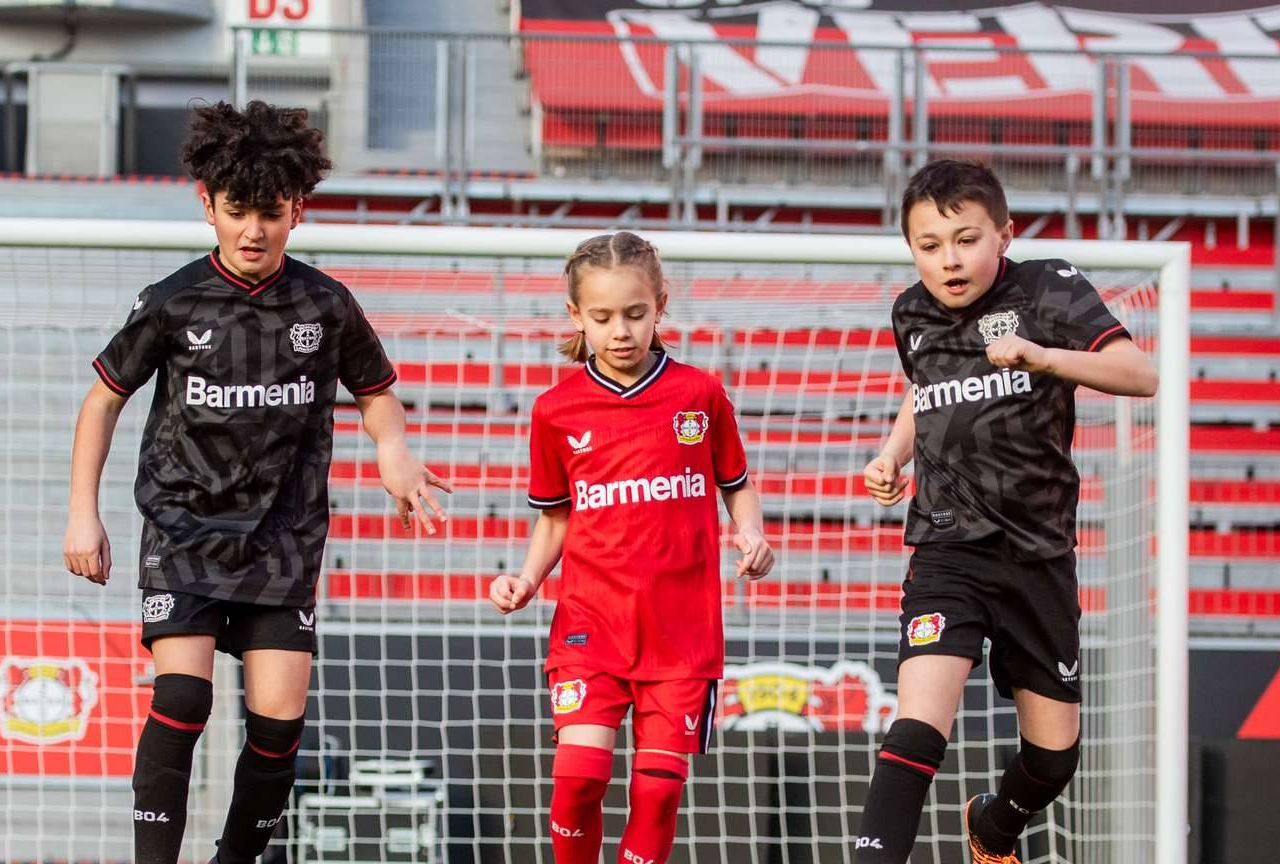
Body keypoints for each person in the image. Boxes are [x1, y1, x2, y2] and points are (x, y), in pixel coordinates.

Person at [62, 100, 452, 864]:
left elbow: (376, 392)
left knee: (277, 725)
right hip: (184, 529)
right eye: (237, 211)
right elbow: (104, 397)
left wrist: (395, 451)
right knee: (183, 697)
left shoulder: (325, 304)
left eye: (270, 213)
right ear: (206, 204)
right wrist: (84, 512)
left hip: (283, 539)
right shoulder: (173, 301)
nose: (253, 230)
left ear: (297, 210)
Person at [853, 160, 1157, 863]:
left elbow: (1141, 374)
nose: (949, 260)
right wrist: (892, 456)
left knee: (1052, 762)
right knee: (917, 729)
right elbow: (924, 388)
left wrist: (1042, 356)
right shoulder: (911, 313)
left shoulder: (1049, 287)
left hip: (1037, 556)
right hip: (947, 548)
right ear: (911, 248)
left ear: (1004, 235)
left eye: (966, 239)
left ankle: (992, 828)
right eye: (929, 245)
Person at [488, 230, 773, 864]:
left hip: (682, 633)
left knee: (657, 794)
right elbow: (556, 519)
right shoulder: (555, 411)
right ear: (576, 316)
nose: (621, 330)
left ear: (661, 305)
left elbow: (738, 486)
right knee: (579, 777)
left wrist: (752, 533)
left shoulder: (699, 395)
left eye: (636, 313)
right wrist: (527, 580)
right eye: (603, 316)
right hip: (592, 624)